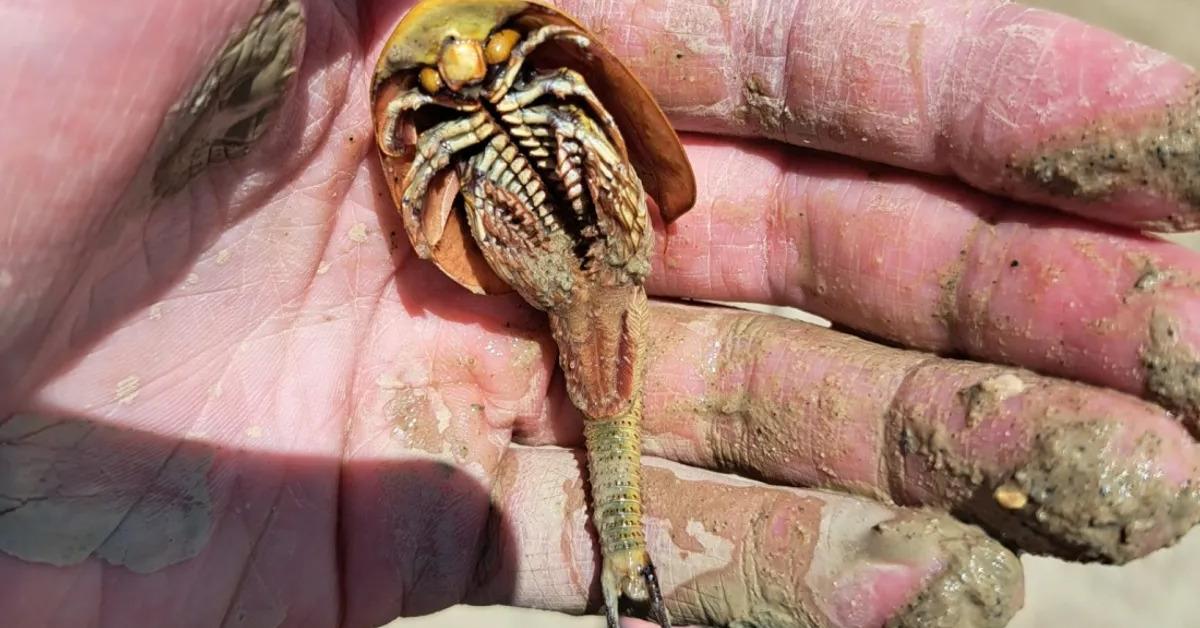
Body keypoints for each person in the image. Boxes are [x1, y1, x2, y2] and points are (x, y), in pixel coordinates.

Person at [2, 0, 1198, 626]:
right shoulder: (427, 97)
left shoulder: (539, 61)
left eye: (496, 50)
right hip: (537, 246)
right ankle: (627, 559)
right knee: (606, 394)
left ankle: (628, 557)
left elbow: (587, 94)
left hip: (600, 228)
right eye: (453, 67)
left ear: (534, 45)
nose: (474, 66)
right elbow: (424, 172)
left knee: (611, 392)